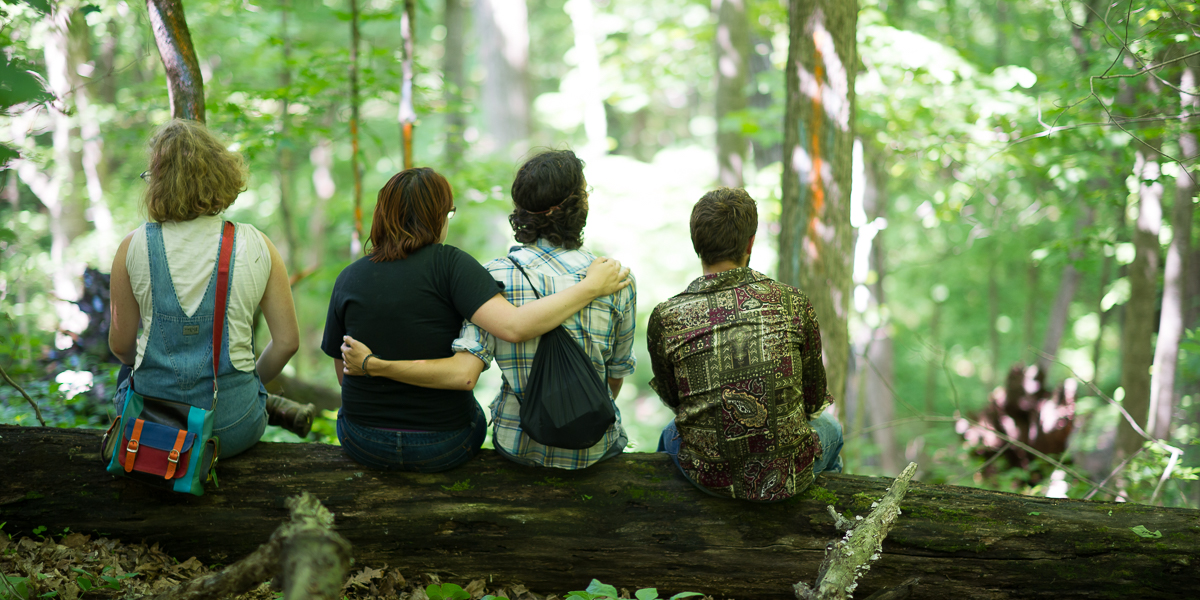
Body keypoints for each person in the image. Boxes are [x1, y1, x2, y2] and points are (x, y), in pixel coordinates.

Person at [321, 166, 630, 473]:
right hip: (442, 444)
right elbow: (511, 327)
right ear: (436, 215)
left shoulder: (348, 278)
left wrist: (373, 366)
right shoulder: (451, 265)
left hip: (361, 440)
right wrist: (590, 287)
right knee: (473, 414)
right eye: (448, 213)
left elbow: (343, 375)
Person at [108, 119, 303, 459]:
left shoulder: (133, 246)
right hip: (231, 427)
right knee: (243, 388)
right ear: (221, 174)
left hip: (154, 428)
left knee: (128, 370)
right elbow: (287, 343)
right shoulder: (258, 244)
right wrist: (253, 383)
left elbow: (121, 346)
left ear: (158, 183)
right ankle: (268, 403)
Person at [646, 187, 843, 502]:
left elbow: (676, 400)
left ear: (696, 243)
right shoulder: (792, 302)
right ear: (750, 243)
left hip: (709, 478)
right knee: (832, 428)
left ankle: (667, 512)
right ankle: (827, 523)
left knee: (669, 433)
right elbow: (813, 398)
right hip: (786, 476)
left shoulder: (666, 316)